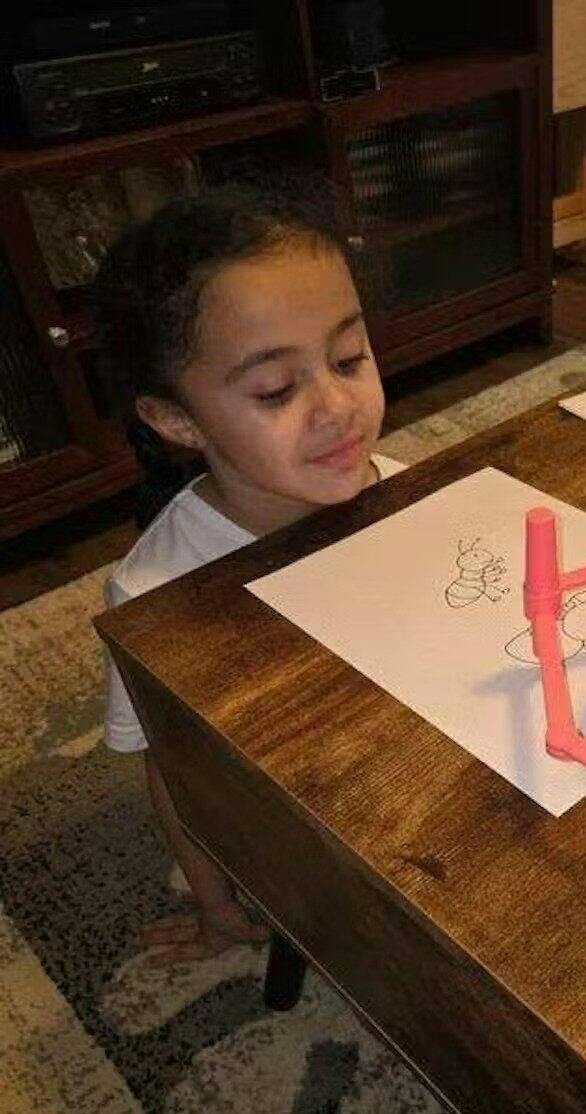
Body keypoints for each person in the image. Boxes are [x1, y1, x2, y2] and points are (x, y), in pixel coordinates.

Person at [96, 178, 399, 964]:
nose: (338, 406)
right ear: (176, 418)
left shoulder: (400, 489)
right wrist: (215, 907)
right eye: (275, 389)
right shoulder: (154, 599)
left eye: (349, 357)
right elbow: (177, 776)